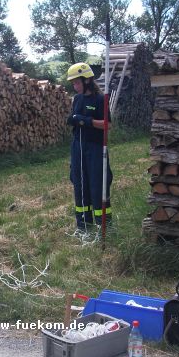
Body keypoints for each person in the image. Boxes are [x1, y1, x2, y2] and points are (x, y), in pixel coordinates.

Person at [66, 62, 113, 236]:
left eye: (77, 82)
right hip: (78, 146)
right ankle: (83, 226)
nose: (75, 86)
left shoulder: (100, 99)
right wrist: (73, 119)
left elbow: (107, 125)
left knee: (97, 185)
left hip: (95, 148)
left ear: (87, 80)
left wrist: (87, 121)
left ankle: (104, 225)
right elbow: (75, 118)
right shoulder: (77, 99)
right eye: (73, 83)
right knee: (79, 184)